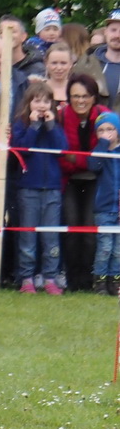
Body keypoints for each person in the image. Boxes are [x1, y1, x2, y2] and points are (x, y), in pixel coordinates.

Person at [11, 82, 66, 294]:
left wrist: (50, 126)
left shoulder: (56, 125)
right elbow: (22, 150)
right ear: (29, 103)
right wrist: (33, 126)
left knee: (50, 236)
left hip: (52, 188)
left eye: (46, 101)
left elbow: (62, 149)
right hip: (29, 188)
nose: (42, 105)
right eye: (37, 101)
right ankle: (27, 278)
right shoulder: (21, 124)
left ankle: (50, 277)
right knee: (28, 236)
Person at [57, 74, 109, 291]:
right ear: (69, 97)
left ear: (94, 97)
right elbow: (62, 157)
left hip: (96, 181)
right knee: (71, 228)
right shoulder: (61, 116)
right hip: (69, 180)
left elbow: (101, 160)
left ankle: (88, 280)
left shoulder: (105, 117)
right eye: (75, 96)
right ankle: (71, 280)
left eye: (85, 96)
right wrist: (87, 161)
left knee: (89, 230)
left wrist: (79, 160)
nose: (80, 100)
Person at [90, 112, 120, 295]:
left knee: (118, 250)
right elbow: (93, 165)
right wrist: (102, 144)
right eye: (101, 130)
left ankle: (115, 281)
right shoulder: (100, 152)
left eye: (110, 129)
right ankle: (100, 281)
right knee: (105, 247)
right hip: (104, 209)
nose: (106, 133)